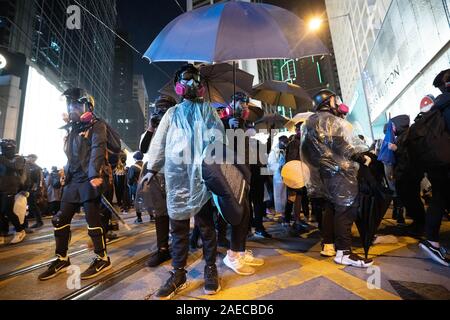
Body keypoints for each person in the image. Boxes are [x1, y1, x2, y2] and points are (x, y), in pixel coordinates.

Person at [141, 64, 222, 298]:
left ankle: (210, 268)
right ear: (178, 87)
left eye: (194, 81)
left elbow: (218, 140)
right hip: (176, 179)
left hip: (203, 178)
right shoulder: (172, 114)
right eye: (185, 82)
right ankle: (178, 273)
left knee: (206, 226)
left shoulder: (208, 110)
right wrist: (152, 167)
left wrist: (219, 168)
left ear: (200, 86)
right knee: (178, 228)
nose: (190, 86)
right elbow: (159, 142)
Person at [38, 88, 112, 281]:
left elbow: (98, 148)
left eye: (77, 105)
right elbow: (73, 156)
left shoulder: (97, 125)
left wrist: (95, 173)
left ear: (88, 107)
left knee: (93, 221)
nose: (73, 108)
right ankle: (62, 258)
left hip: (89, 180)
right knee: (59, 219)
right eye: (70, 105)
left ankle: (102, 257)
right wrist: (64, 173)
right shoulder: (73, 129)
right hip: (73, 182)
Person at [301, 89, 374, 268]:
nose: (336, 103)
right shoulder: (327, 120)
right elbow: (339, 143)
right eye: (334, 100)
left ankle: (341, 249)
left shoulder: (309, 123)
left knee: (337, 210)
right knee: (346, 210)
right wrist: (359, 157)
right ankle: (344, 253)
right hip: (340, 173)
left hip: (327, 174)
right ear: (326, 102)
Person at [221, 92, 265, 276]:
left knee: (246, 213)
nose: (245, 106)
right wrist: (228, 128)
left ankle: (239, 251)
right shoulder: (223, 121)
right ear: (232, 103)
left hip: (246, 172)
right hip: (233, 173)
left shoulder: (245, 124)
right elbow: (219, 146)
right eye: (241, 102)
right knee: (238, 214)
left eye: (246, 103)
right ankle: (231, 255)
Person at [418, 69, 450, 266]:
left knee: (439, 197)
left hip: (437, 163)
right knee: (440, 198)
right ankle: (431, 241)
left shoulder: (437, 107)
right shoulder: (446, 106)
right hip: (446, 162)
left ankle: (431, 240)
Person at [139, 95, 175, 267]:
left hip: (175, 176)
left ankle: (181, 244)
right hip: (156, 177)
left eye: (165, 108)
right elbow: (143, 149)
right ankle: (163, 249)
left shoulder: (178, 127)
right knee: (161, 213)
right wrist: (151, 129)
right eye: (158, 108)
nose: (161, 112)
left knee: (177, 212)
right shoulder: (151, 130)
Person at [284, 122, 311, 235]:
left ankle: (293, 220)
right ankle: (293, 220)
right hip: (296, 174)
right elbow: (292, 160)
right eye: (300, 129)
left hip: (300, 174)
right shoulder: (295, 143)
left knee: (297, 198)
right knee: (294, 198)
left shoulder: (302, 143)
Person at [0, 139, 27, 244]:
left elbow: (16, 166)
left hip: (10, 188)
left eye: (7, 147)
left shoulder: (19, 158)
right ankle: (1, 234)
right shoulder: (2, 158)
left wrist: (2, 159)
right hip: (1, 187)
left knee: (8, 211)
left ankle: (20, 230)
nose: (5, 149)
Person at [268, 135, 288, 222]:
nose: (285, 143)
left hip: (287, 175)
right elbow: (271, 164)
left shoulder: (286, 150)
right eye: (284, 141)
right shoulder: (274, 152)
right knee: (278, 194)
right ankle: (280, 212)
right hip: (278, 176)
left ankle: (284, 212)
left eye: (286, 141)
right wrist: (279, 167)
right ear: (279, 141)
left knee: (284, 194)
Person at [26, 154, 44, 229]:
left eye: (30, 157)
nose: (28, 159)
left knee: (33, 206)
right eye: (28, 157)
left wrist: (38, 190)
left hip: (32, 190)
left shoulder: (37, 168)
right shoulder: (27, 166)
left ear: (34, 159)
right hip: (27, 189)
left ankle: (39, 222)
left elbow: (40, 180)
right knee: (30, 206)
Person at [128, 151, 144, 224]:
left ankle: (139, 218)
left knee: (137, 202)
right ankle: (152, 216)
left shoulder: (133, 167)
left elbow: (130, 178)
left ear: (135, 159)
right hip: (146, 186)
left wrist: (129, 184)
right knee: (148, 200)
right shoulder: (146, 166)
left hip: (136, 187)